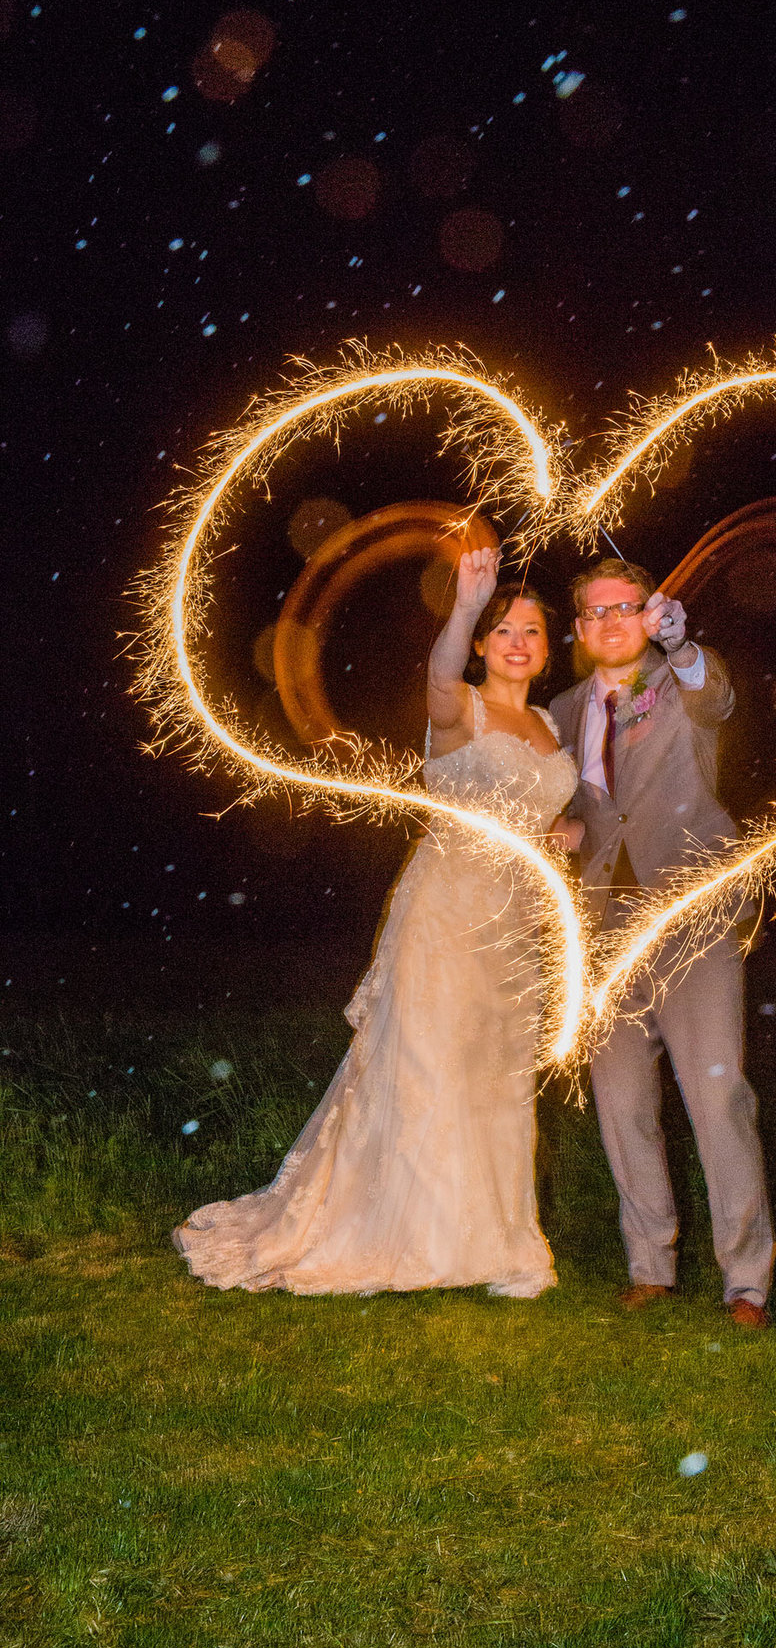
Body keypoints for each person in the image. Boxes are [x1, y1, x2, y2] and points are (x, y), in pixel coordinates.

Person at [173, 543, 578, 1297]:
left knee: (495, 1074)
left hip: (514, 923)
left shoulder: (551, 724)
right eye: (503, 629)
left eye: (531, 630)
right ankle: (415, 1238)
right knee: (428, 1069)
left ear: (547, 649)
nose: (517, 641)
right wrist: (463, 605)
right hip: (447, 910)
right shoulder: (461, 709)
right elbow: (436, 674)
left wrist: (565, 836)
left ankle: (500, 1243)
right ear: (484, 645)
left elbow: (533, 812)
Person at [550, 558, 775, 1329]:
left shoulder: (682, 680)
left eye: (628, 607)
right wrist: (566, 830)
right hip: (604, 926)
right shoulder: (563, 707)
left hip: (690, 915)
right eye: (597, 611)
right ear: (578, 628)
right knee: (621, 1103)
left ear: (651, 614)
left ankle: (746, 1280)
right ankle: (650, 1264)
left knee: (717, 1098)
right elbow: (585, 811)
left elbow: (720, 694)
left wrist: (682, 648)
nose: (612, 621)